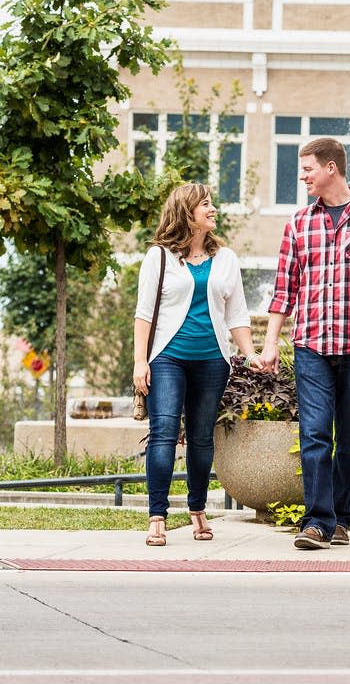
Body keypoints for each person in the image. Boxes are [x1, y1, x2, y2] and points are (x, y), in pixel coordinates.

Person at [260, 138, 350, 549]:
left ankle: (341, 517)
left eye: (307, 169)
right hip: (311, 346)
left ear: (331, 169)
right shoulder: (299, 223)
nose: (302, 176)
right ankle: (317, 522)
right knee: (316, 434)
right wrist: (271, 343)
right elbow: (283, 290)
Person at [133, 182, 258, 547]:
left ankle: (198, 509)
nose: (213, 209)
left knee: (202, 439)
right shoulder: (158, 257)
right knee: (165, 434)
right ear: (187, 212)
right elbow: (143, 314)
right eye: (206, 204)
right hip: (168, 357)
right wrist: (140, 361)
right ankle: (157, 515)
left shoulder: (226, 259)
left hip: (211, 361)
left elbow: (237, 314)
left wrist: (249, 353)